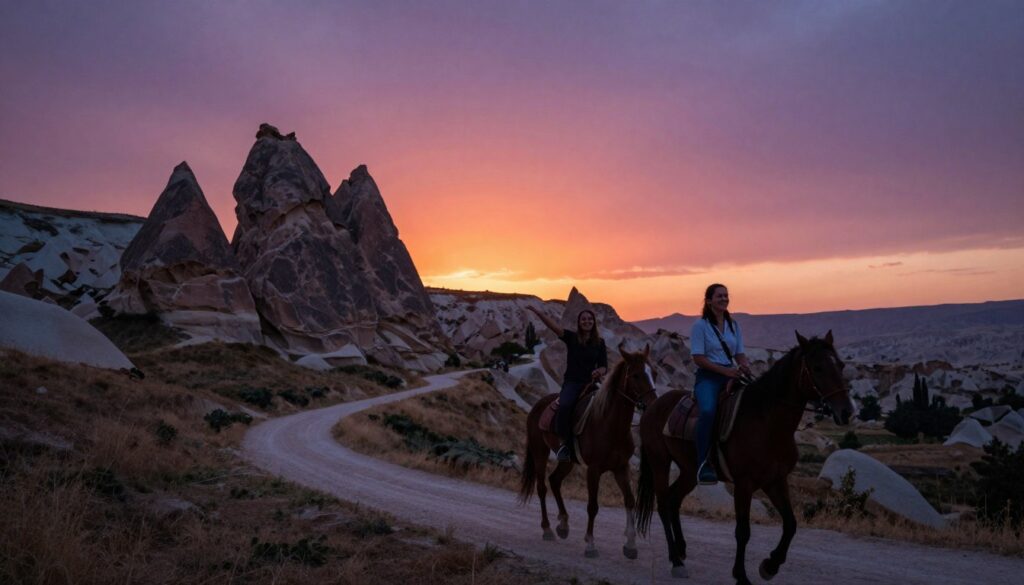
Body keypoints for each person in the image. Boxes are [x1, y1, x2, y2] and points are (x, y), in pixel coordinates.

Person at [526, 305, 608, 461]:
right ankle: (564, 444)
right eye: (584, 319)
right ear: (579, 322)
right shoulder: (572, 338)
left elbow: (604, 365)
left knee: (609, 405)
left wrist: (600, 371)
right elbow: (554, 327)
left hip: (592, 383)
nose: (587, 321)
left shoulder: (600, 342)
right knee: (565, 405)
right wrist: (538, 312)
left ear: (594, 322)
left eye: (590, 319)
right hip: (573, 383)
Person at [690, 283, 752, 484]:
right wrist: (726, 371)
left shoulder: (734, 325)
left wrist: (744, 365)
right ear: (709, 301)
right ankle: (702, 463)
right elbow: (698, 358)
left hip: (731, 374)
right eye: (719, 296)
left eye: (726, 295)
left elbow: (739, 353)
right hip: (708, 377)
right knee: (708, 411)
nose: (724, 299)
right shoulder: (700, 326)